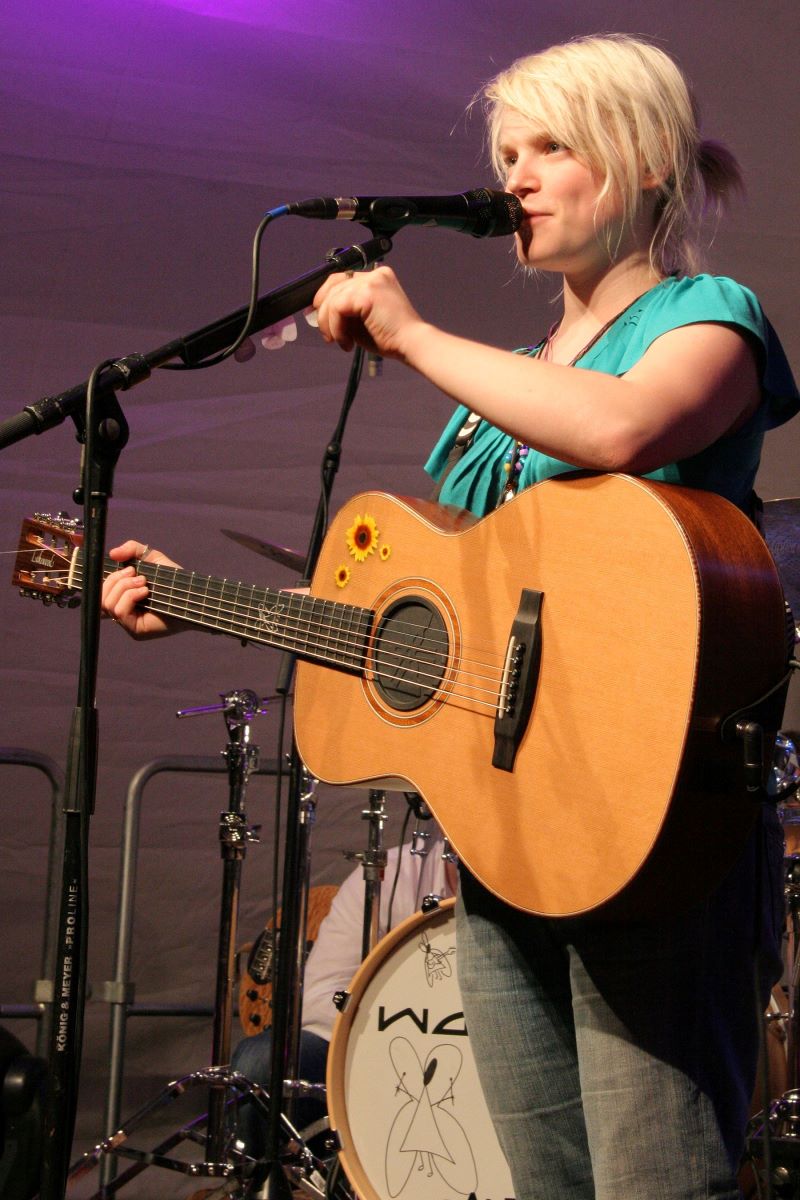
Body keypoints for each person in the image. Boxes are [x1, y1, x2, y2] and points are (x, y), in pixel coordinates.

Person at [102, 33, 799, 1199]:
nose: (512, 178)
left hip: (654, 826)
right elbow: (451, 620)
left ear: (635, 165)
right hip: (507, 837)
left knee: (655, 1183)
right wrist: (197, 600)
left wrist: (417, 337)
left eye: (546, 148)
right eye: (504, 153)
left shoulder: (706, 315)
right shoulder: (509, 382)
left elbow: (623, 428)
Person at [230, 832, 456, 1158]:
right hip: (373, 1043)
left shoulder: (541, 888)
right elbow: (324, 993)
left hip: (486, 1058)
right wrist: (391, 1034)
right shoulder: (388, 873)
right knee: (261, 1062)